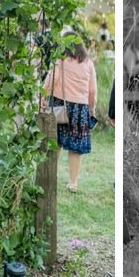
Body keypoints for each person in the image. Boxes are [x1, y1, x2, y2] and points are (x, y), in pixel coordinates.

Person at [43, 32, 98, 193]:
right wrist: (92, 109)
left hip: (61, 106)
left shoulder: (60, 60)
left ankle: (51, 177)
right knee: (75, 148)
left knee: (56, 143)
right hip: (81, 109)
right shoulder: (88, 63)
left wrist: (43, 97)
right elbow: (92, 91)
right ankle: (73, 183)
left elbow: (51, 80)